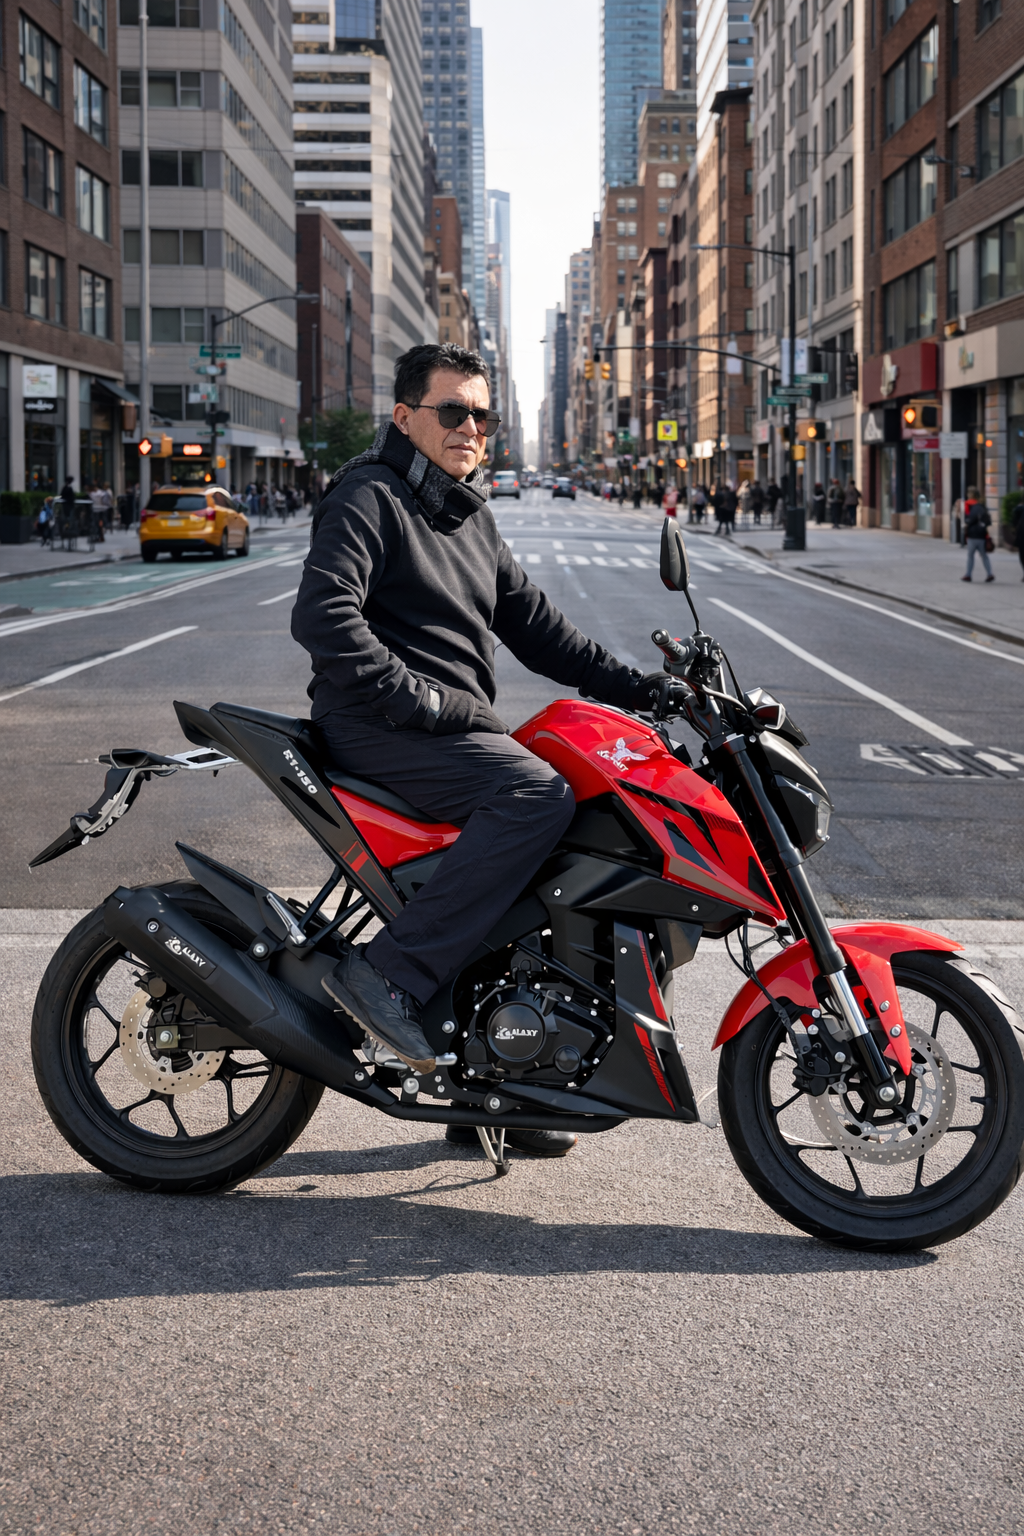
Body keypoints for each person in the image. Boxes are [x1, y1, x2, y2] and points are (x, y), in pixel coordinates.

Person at [292, 343, 672, 1158]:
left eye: (482, 415)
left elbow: (542, 632)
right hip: (379, 724)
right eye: (453, 411)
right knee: (536, 796)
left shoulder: (466, 513)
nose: (471, 427)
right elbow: (325, 618)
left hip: (443, 727)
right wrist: (424, 699)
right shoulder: (370, 496)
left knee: (578, 818)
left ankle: (491, 1086)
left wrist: (650, 691)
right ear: (406, 417)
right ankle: (385, 975)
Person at [961, 487, 994, 582]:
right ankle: (989, 573)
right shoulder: (982, 506)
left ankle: (968, 574)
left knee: (970, 555)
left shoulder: (967, 505)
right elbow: (988, 520)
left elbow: (968, 519)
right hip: (982, 534)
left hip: (972, 534)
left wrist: (966, 522)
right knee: (984, 555)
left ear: (970, 495)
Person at [1014, 497, 1024, 582]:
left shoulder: (1019, 509)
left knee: (1022, 555)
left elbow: (1014, 521)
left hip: (1022, 535)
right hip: (1021, 535)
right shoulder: (1020, 509)